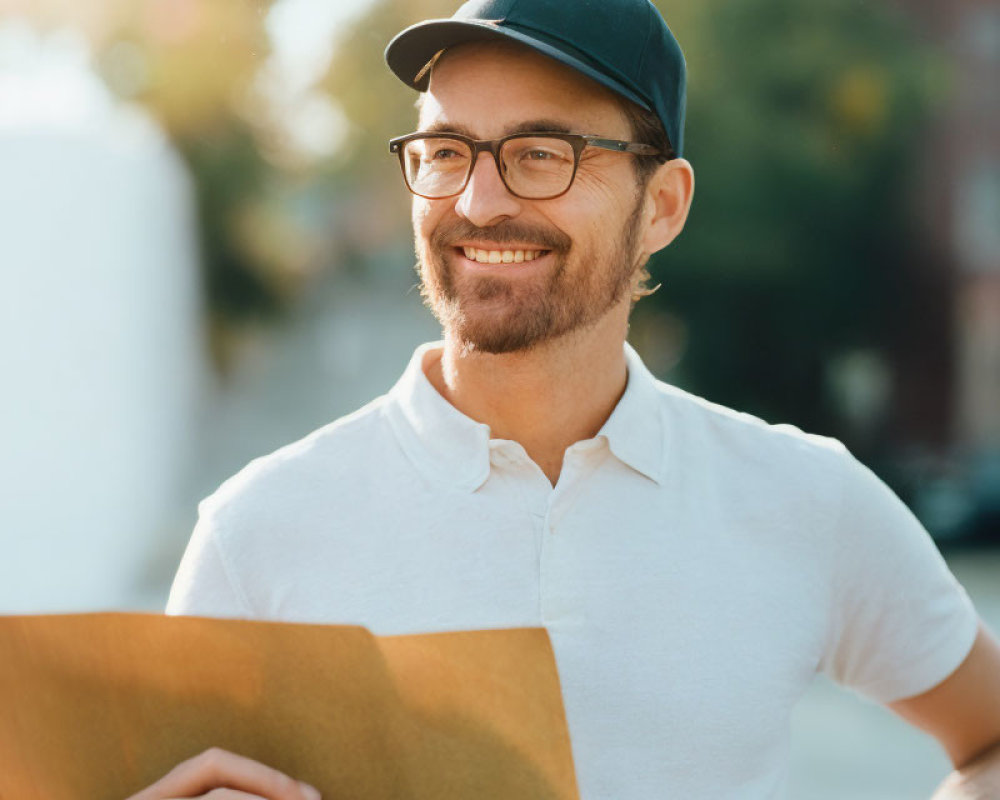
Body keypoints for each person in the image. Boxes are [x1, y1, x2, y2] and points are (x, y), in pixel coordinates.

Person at [130, 1, 1000, 798]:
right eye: (445, 152)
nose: (476, 200)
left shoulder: (807, 499)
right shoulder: (258, 532)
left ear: (661, 206)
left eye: (540, 155)